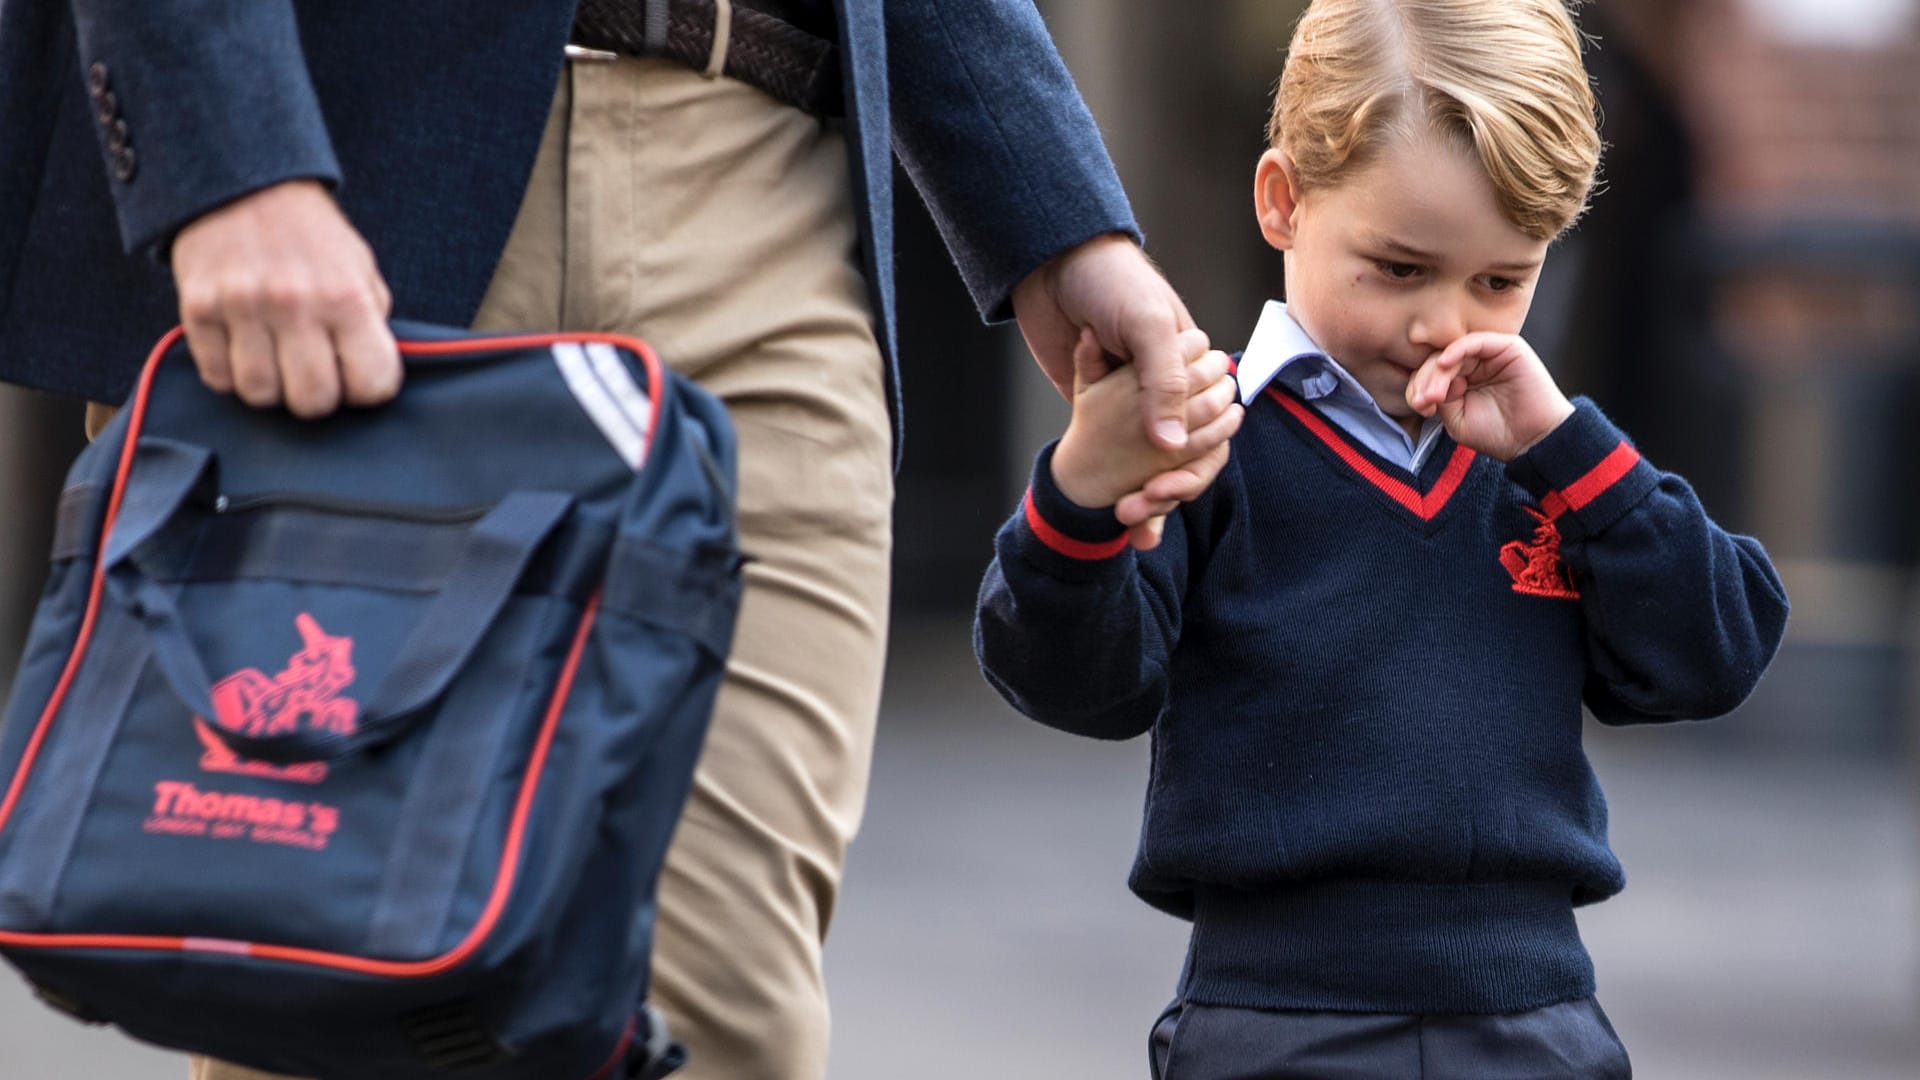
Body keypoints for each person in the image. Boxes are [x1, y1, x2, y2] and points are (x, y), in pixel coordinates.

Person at [0, 2, 1242, 1078]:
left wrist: (1058, 217)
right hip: (346, 185)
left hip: (756, 184)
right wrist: (229, 150)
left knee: (717, 1021)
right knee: (328, 994)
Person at [973, 1, 1791, 1075]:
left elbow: (1714, 656)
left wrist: (1569, 453)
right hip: (1271, 1022)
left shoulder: (1551, 462)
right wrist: (1081, 494)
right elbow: (1077, 683)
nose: (1446, 324)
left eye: (1501, 280)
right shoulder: (1211, 442)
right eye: (1400, 268)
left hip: (1533, 1018)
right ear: (1284, 201)